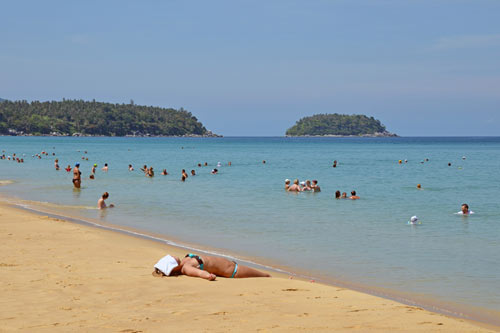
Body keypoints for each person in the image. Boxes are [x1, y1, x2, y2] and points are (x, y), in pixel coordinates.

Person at [152, 253, 270, 281]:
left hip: (232, 265)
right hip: (233, 271)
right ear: (174, 266)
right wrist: (209, 276)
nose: (172, 256)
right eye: (171, 258)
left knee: (264, 275)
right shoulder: (186, 268)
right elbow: (199, 273)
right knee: (265, 276)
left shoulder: (185, 261)